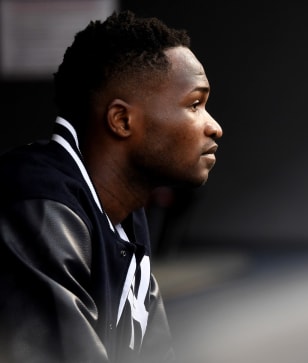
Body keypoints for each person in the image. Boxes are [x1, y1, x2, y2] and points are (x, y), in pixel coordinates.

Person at [0, 10, 222, 363]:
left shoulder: (127, 214)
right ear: (122, 120)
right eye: (194, 104)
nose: (214, 127)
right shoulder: (39, 205)